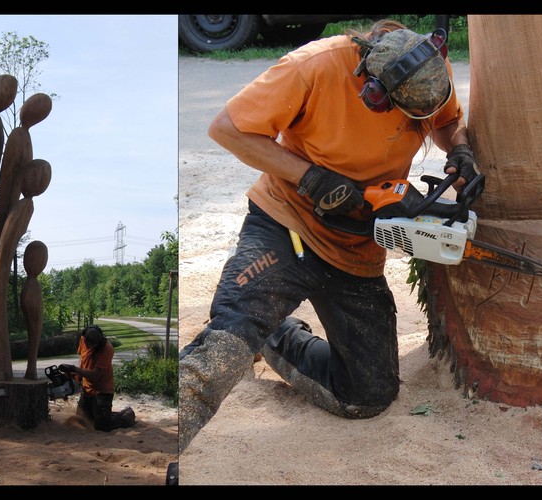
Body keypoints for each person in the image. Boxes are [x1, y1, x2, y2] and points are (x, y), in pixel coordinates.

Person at [178, 19, 480, 453]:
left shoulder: (430, 72)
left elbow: (447, 122)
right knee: (225, 345)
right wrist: (311, 178)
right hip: (288, 223)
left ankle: (275, 335)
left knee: (368, 394)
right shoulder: (314, 67)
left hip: (356, 243)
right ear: (373, 89)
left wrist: (460, 149)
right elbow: (227, 128)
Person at [59, 325, 136, 431]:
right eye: (88, 343)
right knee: (83, 418)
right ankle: (104, 413)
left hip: (102, 391)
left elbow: (95, 375)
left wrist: (74, 369)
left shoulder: (106, 349)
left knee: (102, 426)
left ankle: (127, 415)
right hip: (87, 390)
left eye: (92, 344)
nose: (89, 346)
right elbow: (83, 359)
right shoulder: (83, 339)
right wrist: (75, 378)